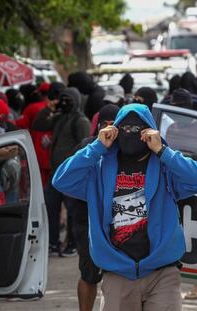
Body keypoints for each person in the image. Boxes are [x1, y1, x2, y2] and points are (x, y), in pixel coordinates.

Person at [53, 104, 197, 311]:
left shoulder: (164, 166)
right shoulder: (99, 167)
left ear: (149, 132)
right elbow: (61, 180)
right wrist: (97, 147)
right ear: (115, 131)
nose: (130, 134)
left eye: (138, 130)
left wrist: (163, 150)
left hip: (162, 271)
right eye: (125, 129)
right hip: (118, 272)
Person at [32, 87, 90, 256]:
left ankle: (72, 243)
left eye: (67, 100)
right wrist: (49, 109)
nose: (64, 103)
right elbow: (38, 125)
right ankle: (53, 242)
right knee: (51, 207)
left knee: (73, 211)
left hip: (70, 174)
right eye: (61, 99)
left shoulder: (80, 121)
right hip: (55, 173)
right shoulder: (60, 117)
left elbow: (84, 147)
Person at [73, 104, 120, 311]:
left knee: (119, 276)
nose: (109, 130)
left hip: (118, 219)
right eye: (106, 125)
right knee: (89, 274)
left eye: (114, 126)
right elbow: (68, 180)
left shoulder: (126, 148)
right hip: (88, 220)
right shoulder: (87, 147)